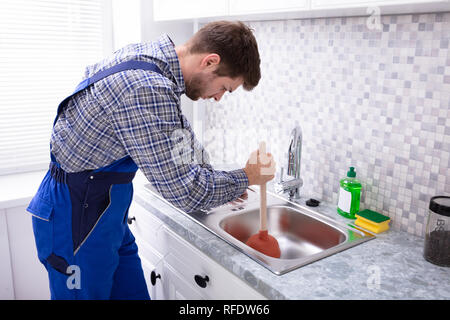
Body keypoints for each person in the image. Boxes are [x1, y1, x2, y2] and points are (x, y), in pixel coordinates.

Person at [27, 20, 275, 300]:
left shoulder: (152, 62)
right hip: (74, 219)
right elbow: (186, 193)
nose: (218, 98)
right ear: (210, 62)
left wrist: (223, 183)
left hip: (105, 213)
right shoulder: (146, 86)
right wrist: (247, 176)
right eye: (224, 88)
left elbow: (177, 134)